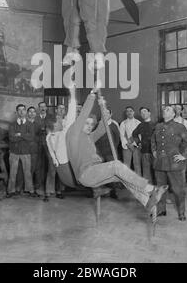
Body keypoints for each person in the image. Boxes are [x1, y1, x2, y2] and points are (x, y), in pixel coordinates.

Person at [66, 87, 168, 219]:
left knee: (122, 177)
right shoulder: (73, 133)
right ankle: (151, 190)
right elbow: (83, 115)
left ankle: (147, 202)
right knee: (115, 165)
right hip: (86, 174)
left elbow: (102, 127)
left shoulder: (88, 136)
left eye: (91, 124)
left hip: (94, 173)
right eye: (87, 123)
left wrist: (103, 106)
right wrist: (92, 95)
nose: (89, 126)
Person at [151, 106, 187, 221]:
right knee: (160, 189)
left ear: (173, 114)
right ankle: (161, 210)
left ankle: (181, 212)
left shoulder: (179, 127)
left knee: (178, 190)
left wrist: (184, 155)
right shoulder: (158, 126)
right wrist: (154, 150)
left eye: (168, 110)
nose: (165, 111)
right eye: (164, 109)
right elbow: (153, 140)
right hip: (160, 163)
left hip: (174, 164)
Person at [7, 104, 36, 197]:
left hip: (26, 152)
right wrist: (24, 135)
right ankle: (11, 190)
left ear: (25, 111)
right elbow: (11, 138)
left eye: (23, 110)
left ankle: (30, 190)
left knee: (27, 172)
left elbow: (31, 137)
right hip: (14, 152)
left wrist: (19, 134)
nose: (21, 112)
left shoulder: (30, 124)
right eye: (19, 110)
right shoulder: (12, 124)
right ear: (16, 112)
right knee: (13, 172)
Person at [95, 108, 121, 198]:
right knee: (100, 172)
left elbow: (117, 139)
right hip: (100, 153)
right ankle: (100, 191)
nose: (105, 114)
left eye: (107, 113)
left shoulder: (114, 125)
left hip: (111, 153)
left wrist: (112, 149)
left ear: (111, 114)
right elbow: (94, 138)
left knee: (112, 172)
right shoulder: (98, 125)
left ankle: (113, 191)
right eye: (103, 113)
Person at [132, 107, 156, 184]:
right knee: (146, 173)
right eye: (141, 113)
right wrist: (138, 142)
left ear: (149, 113)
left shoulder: (156, 125)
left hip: (155, 152)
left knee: (158, 171)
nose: (143, 114)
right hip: (145, 152)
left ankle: (159, 190)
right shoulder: (140, 125)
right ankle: (149, 190)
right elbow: (134, 134)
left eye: (145, 111)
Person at [34, 101, 51, 201]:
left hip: (49, 146)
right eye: (41, 107)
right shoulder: (35, 118)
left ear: (47, 108)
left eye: (44, 106)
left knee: (49, 166)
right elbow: (33, 131)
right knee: (38, 167)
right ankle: (38, 188)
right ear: (38, 108)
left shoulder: (51, 118)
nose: (43, 108)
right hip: (38, 145)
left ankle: (48, 190)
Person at [119, 106, 141, 175]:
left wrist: (134, 143)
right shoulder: (123, 123)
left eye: (131, 111)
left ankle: (138, 183)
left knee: (137, 165)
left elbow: (140, 135)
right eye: (127, 111)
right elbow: (121, 135)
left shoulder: (138, 123)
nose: (129, 112)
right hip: (126, 146)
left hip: (136, 146)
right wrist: (128, 144)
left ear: (133, 112)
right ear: (126, 113)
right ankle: (127, 183)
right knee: (126, 166)